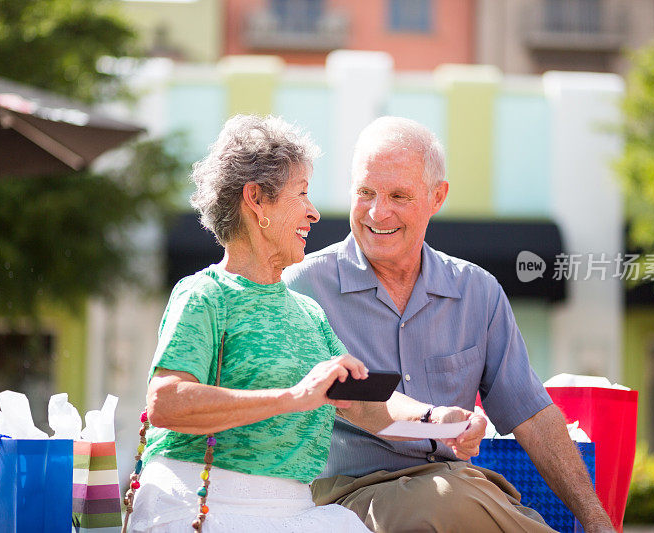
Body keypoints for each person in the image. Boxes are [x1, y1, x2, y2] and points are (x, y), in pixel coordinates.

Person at [129, 115, 486, 532]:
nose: (314, 213)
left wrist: (439, 420)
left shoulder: (307, 312)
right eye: (301, 194)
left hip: (293, 511)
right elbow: (166, 403)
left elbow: (366, 405)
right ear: (257, 200)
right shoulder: (204, 295)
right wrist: (293, 396)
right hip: (200, 503)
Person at [283, 116, 615, 532]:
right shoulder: (303, 285)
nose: (376, 211)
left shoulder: (478, 292)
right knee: (446, 502)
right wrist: (435, 419)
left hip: (458, 486)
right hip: (346, 492)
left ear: (437, 197)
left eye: (398, 196)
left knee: (454, 495)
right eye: (365, 192)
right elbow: (352, 404)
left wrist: (598, 521)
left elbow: (532, 415)